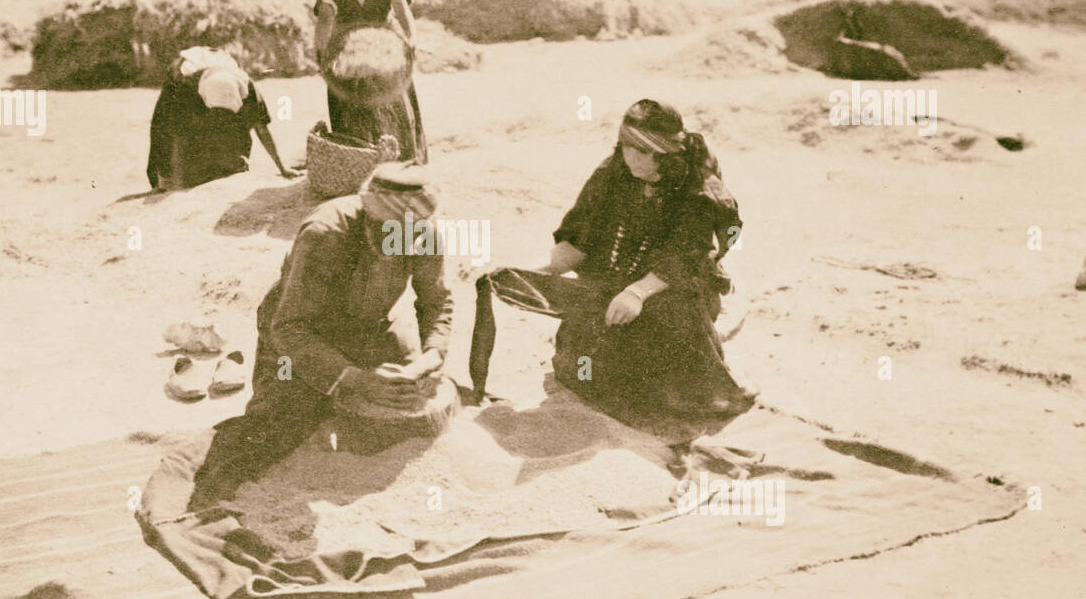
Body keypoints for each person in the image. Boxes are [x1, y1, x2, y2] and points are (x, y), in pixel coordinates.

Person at [188, 161, 453, 507]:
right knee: (272, 430)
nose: (400, 242)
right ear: (371, 216)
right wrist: (356, 379)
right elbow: (289, 328)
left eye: (410, 232)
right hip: (299, 337)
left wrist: (431, 356)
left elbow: (437, 302)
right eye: (391, 231)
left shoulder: (423, 232)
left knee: (409, 398)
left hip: (370, 327)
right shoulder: (327, 232)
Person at [497, 99, 754, 421]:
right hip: (615, 283)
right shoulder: (613, 172)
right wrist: (534, 272)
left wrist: (638, 292)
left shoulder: (699, 191)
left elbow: (688, 256)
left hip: (675, 290)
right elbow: (580, 239)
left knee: (678, 390)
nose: (630, 156)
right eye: (626, 146)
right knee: (581, 369)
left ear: (665, 153)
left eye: (642, 151)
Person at [313, 0, 427, 162]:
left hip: (383, 34)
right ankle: (354, 158)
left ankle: (406, 156)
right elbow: (325, 18)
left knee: (395, 91)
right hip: (349, 38)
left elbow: (401, 9)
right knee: (344, 92)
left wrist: (411, 39)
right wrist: (322, 54)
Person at [146, 47, 297, 191]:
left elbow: (262, 129)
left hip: (220, 81)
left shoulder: (248, 89)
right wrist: (168, 182)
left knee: (231, 163)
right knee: (186, 165)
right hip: (192, 84)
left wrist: (282, 168)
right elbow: (170, 133)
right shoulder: (185, 88)